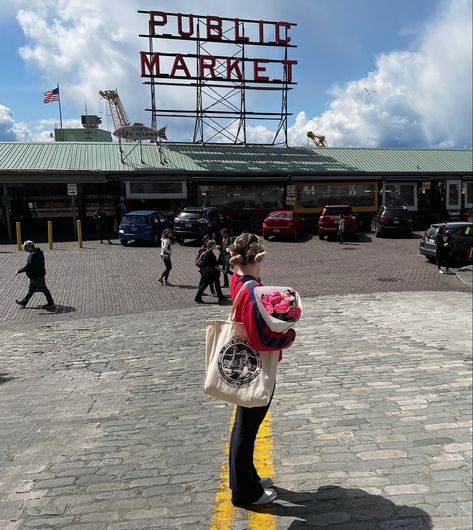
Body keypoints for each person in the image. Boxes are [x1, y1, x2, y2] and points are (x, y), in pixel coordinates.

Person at [226, 233, 296, 506]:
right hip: (255, 367)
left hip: (243, 364)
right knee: (247, 429)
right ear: (257, 258)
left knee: (243, 427)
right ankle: (246, 492)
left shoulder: (237, 279)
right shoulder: (253, 288)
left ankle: (246, 479)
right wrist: (287, 336)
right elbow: (261, 339)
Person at [15, 240, 55, 309]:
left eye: (26, 248)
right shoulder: (39, 252)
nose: (25, 249)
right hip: (36, 275)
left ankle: (51, 302)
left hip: (37, 276)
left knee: (44, 289)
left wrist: (19, 271)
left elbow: (29, 266)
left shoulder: (33, 255)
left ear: (29, 247)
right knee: (31, 289)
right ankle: (24, 302)